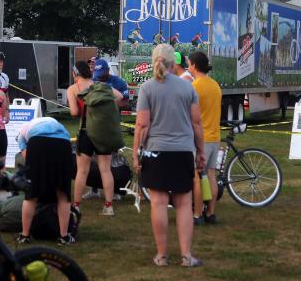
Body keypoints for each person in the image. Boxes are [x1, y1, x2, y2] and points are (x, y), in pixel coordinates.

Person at [132, 44, 205, 268]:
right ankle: (186, 256)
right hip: (183, 151)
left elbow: (142, 124)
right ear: (174, 63)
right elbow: (196, 123)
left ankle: (162, 256)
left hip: (156, 151)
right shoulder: (188, 88)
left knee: (158, 203)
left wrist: (136, 153)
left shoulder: (147, 88)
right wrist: (200, 151)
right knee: (184, 204)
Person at [68, 61, 123, 215]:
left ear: (75, 74)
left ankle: (76, 205)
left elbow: (73, 112)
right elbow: (119, 97)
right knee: (105, 170)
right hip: (102, 132)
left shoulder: (73, 89)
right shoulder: (101, 86)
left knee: (82, 171)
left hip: (85, 131)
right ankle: (108, 206)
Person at [15, 116, 76, 245]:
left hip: (38, 142)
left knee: (31, 193)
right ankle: (64, 237)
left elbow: (28, 159)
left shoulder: (21, 133)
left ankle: (24, 235)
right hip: (63, 142)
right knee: (63, 192)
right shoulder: (56, 124)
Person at [188, 51, 221, 225]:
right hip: (215, 137)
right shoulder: (215, 85)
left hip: (201, 139)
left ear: (194, 65)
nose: (188, 66)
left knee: (196, 178)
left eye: (189, 63)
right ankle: (211, 213)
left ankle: (197, 214)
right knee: (211, 175)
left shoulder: (195, 86)